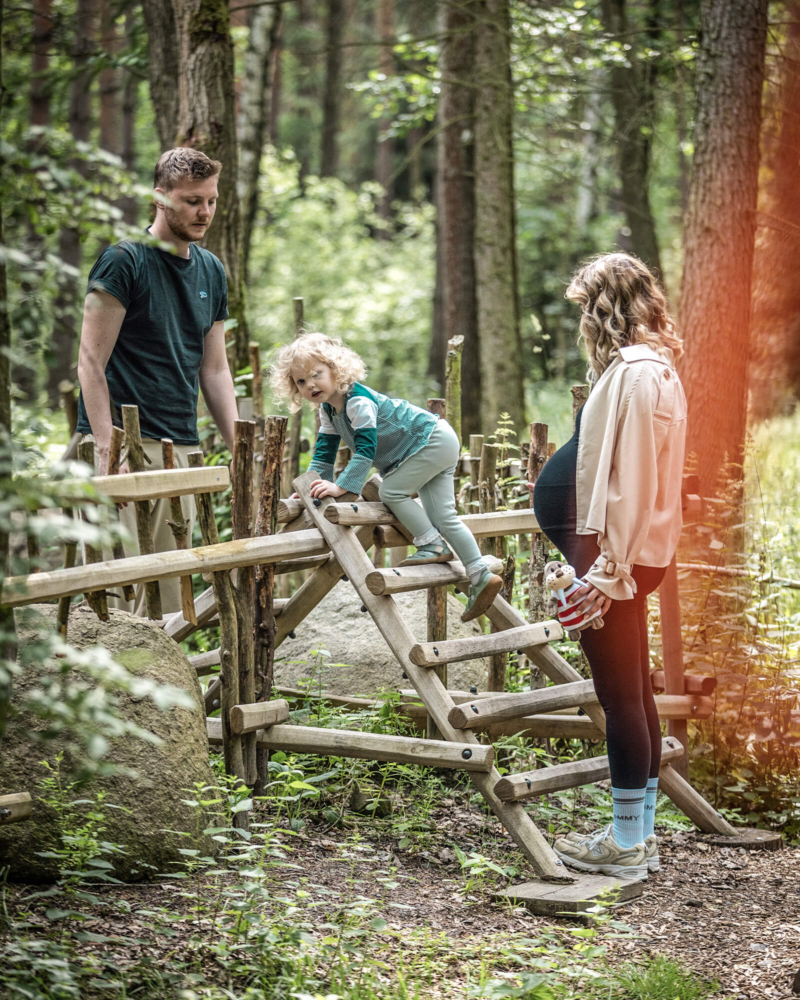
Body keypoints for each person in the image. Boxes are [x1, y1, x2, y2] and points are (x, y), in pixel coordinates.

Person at [531, 252, 687, 880]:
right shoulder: (654, 369)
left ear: (602, 308)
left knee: (619, 694)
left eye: (584, 311)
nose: (583, 326)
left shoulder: (636, 374)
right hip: (616, 554)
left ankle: (624, 845)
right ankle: (639, 835)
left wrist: (605, 570)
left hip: (608, 555)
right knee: (633, 693)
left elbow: (635, 481)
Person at [75, 147, 239, 616]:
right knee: (111, 599)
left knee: (169, 601)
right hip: (121, 448)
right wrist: (109, 449)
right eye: (191, 200)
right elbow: (90, 362)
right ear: (160, 197)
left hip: (179, 449)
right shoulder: (123, 261)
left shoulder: (211, 269)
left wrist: (239, 447)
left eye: (210, 199)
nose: (204, 211)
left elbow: (214, 368)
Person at [270, 332, 503, 622]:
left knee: (390, 491)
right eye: (301, 381)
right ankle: (480, 574)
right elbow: (324, 453)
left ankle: (431, 543)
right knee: (444, 515)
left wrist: (342, 487)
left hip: (429, 441)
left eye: (316, 375)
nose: (310, 385)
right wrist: (310, 489)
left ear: (336, 369)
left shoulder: (357, 402)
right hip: (433, 442)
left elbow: (366, 449)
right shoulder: (329, 411)